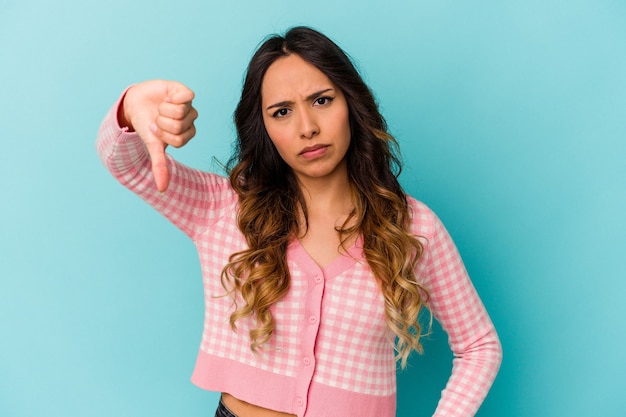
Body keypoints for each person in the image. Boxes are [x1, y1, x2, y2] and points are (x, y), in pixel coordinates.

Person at [96, 26, 502, 417]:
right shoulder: (226, 210)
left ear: (351, 105)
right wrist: (130, 107)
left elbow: (480, 345)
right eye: (282, 111)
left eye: (322, 100)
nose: (307, 128)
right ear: (265, 128)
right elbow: (126, 164)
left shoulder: (412, 227)